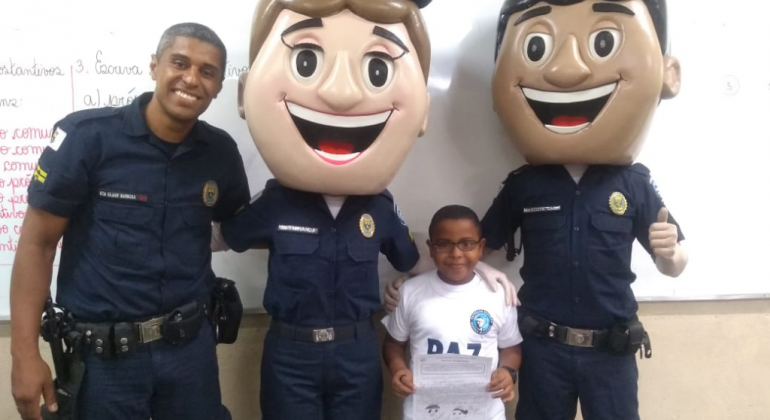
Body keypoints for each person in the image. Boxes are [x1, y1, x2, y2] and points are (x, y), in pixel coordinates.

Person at [210, 1, 515, 418]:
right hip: (290, 351)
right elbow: (221, 238)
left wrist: (479, 269)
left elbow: (415, 261)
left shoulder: (381, 207)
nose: (341, 93)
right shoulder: (276, 201)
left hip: (354, 349)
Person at [9, 22, 249, 420]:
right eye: (179, 63)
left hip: (190, 355)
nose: (192, 79)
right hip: (106, 362)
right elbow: (38, 243)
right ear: (154, 66)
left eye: (207, 71)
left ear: (220, 86)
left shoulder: (220, 152)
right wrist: (24, 354)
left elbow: (239, 222)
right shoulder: (87, 138)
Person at [484, 1, 686, 420]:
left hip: (609, 354)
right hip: (542, 351)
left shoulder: (633, 183)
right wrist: (421, 278)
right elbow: (479, 247)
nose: (568, 71)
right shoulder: (525, 183)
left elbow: (675, 266)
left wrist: (671, 254)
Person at [382, 205, 523, 420]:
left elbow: (511, 348)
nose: (456, 253)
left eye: (467, 244)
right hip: (424, 412)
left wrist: (508, 372)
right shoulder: (410, 292)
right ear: (431, 248)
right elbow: (393, 344)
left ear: (481, 246)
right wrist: (398, 369)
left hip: (485, 412)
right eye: (444, 244)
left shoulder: (498, 295)